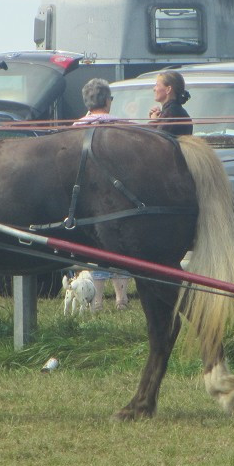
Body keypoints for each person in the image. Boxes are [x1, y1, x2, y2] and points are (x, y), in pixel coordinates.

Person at [72, 78, 131, 310]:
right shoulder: (122, 126)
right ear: (107, 101)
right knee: (120, 246)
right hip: (118, 195)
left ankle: (96, 300)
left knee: (97, 248)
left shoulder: (75, 128)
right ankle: (122, 298)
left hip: (87, 196)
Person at [148, 70, 193, 136]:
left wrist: (154, 122)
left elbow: (155, 139)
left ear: (168, 89)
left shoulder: (172, 113)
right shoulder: (173, 111)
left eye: (157, 85)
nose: (154, 89)